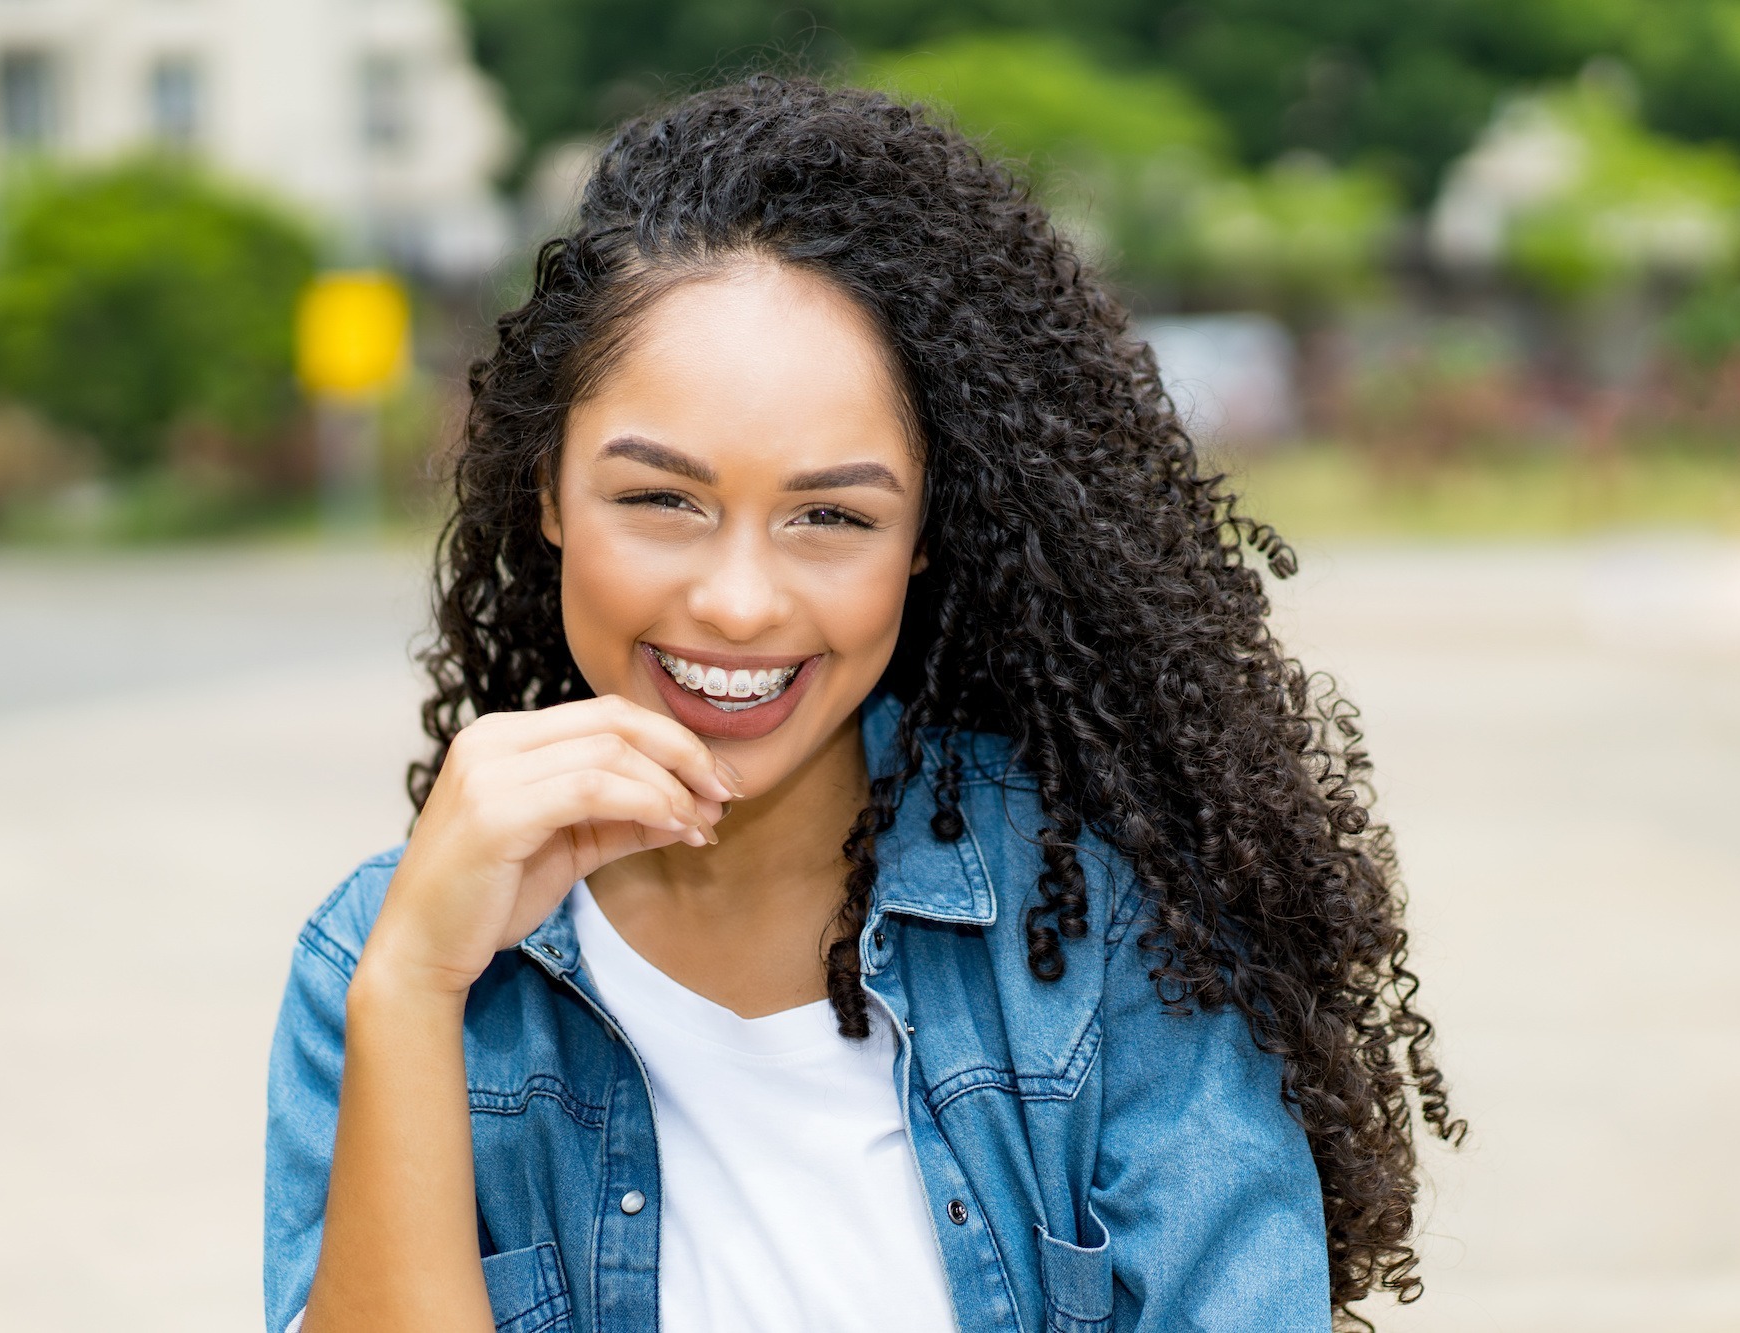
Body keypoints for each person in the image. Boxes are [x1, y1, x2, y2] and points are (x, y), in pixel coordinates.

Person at [264, 76, 1462, 1333]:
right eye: (661, 499)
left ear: (923, 538)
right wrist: (413, 985)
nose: (735, 603)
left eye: (830, 516)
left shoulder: (1107, 922)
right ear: (549, 492)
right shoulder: (377, 956)